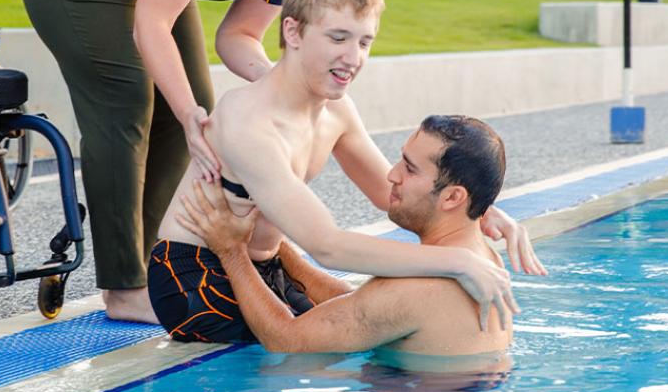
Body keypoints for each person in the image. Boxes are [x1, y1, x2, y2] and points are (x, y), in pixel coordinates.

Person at [12, 0, 403, 323]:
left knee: (196, 105)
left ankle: (162, 260)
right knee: (129, 99)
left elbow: (238, 37)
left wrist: (285, 85)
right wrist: (185, 112)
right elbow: (151, 25)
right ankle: (125, 287)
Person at [147, 0, 543, 344]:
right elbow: (327, 246)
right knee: (301, 348)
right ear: (294, 31)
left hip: (267, 265)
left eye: (364, 41)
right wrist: (459, 261)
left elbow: (389, 190)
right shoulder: (248, 120)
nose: (353, 58)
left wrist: (479, 207)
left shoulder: (336, 110)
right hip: (193, 276)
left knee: (372, 325)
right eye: (338, 38)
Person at [178, 114, 518, 356]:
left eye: (410, 169)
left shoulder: (414, 289)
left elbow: (286, 341)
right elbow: (362, 309)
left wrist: (231, 250)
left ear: (453, 197)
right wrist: (278, 247)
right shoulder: (483, 258)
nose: (392, 174)